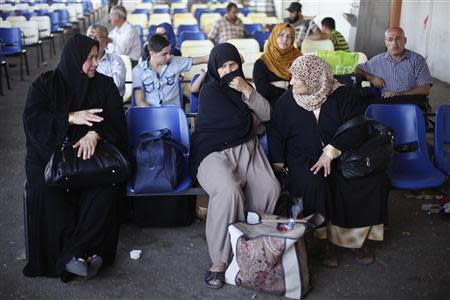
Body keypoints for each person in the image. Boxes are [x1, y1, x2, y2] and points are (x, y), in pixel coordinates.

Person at [23, 34, 128, 280]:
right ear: (74, 58)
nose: (95, 63)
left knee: (106, 186)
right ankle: (80, 254)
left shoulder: (104, 85)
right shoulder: (45, 85)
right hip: (50, 157)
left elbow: (117, 123)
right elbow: (33, 123)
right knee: (46, 188)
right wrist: (69, 117)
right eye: (90, 58)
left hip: (91, 158)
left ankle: (75, 253)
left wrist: (95, 133)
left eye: (97, 57)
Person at [269, 55, 389, 267]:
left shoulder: (343, 95)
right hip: (303, 158)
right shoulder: (288, 100)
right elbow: (276, 132)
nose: (291, 82)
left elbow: (358, 129)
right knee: (315, 183)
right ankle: (322, 242)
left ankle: (355, 240)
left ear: (315, 78)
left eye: (297, 78)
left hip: (343, 154)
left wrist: (332, 151)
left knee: (368, 180)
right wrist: (278, 162)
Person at [190, 43, 280, 289]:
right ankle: (219, 261)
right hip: (213, 152)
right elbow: (237, 122)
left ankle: (249, 245)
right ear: (214, 68)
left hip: (247, 148)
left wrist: (247, 91)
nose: (230, 71)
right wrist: (251, 120)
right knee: (229, 191)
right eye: (223, 67)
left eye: (234, 65)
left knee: (270, 188)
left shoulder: (245, 87)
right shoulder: (209, 91)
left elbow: (268, 114)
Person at [355, 27, 432, 100]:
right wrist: (371, 78)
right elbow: (357, 69)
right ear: (385, 42)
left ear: (405, 40)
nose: (394, 43)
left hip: (411, 101)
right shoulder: (377, 61)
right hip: (387, 101)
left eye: (398, 39)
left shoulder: (417, 60)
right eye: (390, 39)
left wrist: (401, 94)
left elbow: (425, 88)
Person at [132, 34, 209, 107]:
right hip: (150, 113)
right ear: (152, 53)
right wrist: (154, 114)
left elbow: (203, 59)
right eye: (164, 54)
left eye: (169, 52)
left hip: (173, 113)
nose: (168, 56)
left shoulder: (175, 62)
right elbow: (140, 101)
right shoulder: (138, 71)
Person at [253, 23, 302, 107]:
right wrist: (286, 85)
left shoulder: (299, 58)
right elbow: (263, 90)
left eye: (289, 36)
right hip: (271, 105)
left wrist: (275, 85)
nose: (285, 39)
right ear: (274, 36)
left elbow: (301, 86)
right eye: (281, 35)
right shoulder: (262, 62)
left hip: (296, 102)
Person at [87, 24, 126, 97]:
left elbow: (116, 85)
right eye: (89, 37)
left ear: (106, 41)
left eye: (97, 37)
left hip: (110, 102)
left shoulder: (115, 60)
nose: (92, 40)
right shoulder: (81, 60)